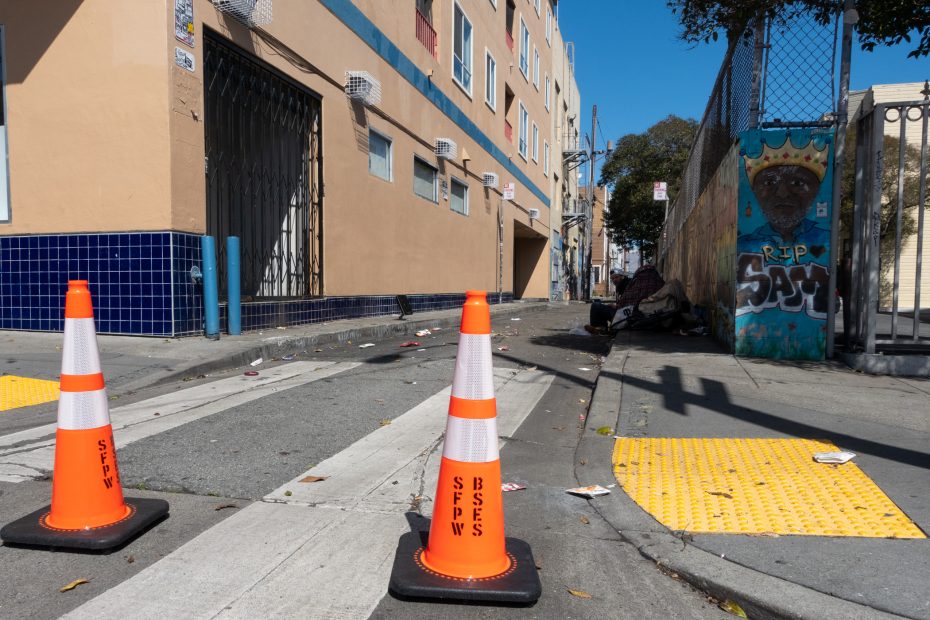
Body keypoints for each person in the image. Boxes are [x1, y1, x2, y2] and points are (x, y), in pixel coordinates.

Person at [584, 269, 629, 333]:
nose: (614, 280)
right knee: (598, 303)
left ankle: (599, 327)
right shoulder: (620, 286)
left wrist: (617, 307)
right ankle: (601, 327)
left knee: (596, 305)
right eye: (612, 279)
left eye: (616, 277)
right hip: (621, 313)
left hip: (623, 315)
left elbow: (629, 304)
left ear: (622, 276)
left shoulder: (626, 286)